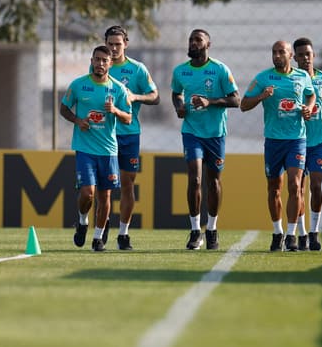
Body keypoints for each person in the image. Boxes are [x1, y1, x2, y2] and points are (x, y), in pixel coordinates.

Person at [240, 41, 315, 252]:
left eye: (281, 52)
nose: (277, 55)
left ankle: (291, 235)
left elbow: (311, 94)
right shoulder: (263, 78)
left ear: (291, 55)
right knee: (274, 188)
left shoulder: (302, 76)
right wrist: (261, 97)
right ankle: (277, 231)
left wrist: (308, 108)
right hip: (273, 141)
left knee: (295, 185)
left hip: (297, 140)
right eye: (274, 52)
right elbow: (243, 105)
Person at [171, 29, 240, 250]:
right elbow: (175, 93)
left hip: (215, 134)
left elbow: (236, 100)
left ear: (208, 44)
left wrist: (210, 102)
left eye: (197, 40)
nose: (193, 43)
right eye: (191, 40)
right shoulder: (181, 71)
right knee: (195, 179)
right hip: (191, 131)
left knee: (214, 182)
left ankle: (212, 228)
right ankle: (194, 230)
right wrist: (179, 106)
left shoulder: (219, 70)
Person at [60, 45, 132, 252]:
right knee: (87, 193)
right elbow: (63, 108)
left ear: (110, 63)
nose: (100, 64)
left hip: (108, 151)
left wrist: (116, 110)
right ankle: (82, 221)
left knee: (105, 197)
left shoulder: (118, 89)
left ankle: (98, 238)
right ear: (91, 61)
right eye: (97, 59)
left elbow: (128, 118)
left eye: (104, 60)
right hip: (85, 149)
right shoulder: (79, 85)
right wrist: (77, 120)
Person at [101, 25, 159, 251]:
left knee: (127, 185)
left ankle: (123, 234)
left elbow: (155, 96)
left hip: (129, 135)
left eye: (117, 44)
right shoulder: (100, 66)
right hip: (104, 136)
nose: (114, 48)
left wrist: (136, 96)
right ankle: (102, 224)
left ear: (126, 44)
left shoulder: (137, 69)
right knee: (104, 188)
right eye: (110, 44)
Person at [292, 37, 322, 251]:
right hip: (297, 140)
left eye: (308, 54)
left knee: (316, 186)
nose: (305, 58)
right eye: (300, 55)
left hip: (319, 141)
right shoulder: (292, 79)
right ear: (294, 57)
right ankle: (301, 234)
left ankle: (314, 232)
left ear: (314, 55)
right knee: (298, 189)